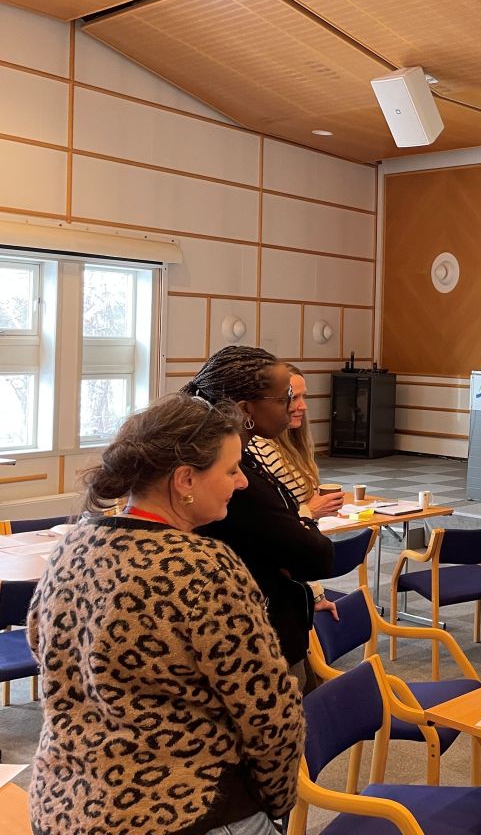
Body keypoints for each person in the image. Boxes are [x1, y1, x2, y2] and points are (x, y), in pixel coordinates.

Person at [27, 394, 304, 835]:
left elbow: (49, 661)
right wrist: (270, 802)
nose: (243, 483)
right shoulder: (204, 567)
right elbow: (270, 715)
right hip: (187, 809)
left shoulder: (70, 548)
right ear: (185, 479)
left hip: (62, 806)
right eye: (232, 469)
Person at [185, 345, 335, 691]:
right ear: (245, 410)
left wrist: (298, 531)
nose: (294, 407)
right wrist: (304, 523)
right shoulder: (237, 484)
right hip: (256, 643)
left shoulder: (246, 463)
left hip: (271, 629)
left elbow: (305, 554)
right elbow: (314, 555)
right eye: (284, 399)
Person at [246, 363, 343, 621]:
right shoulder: (259, 453)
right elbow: (280, 532)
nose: (302, 405)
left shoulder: (292, 445)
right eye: (292, 397)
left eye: (303, 396)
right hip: (280, 582)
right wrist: (311, 510)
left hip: (299, 570)